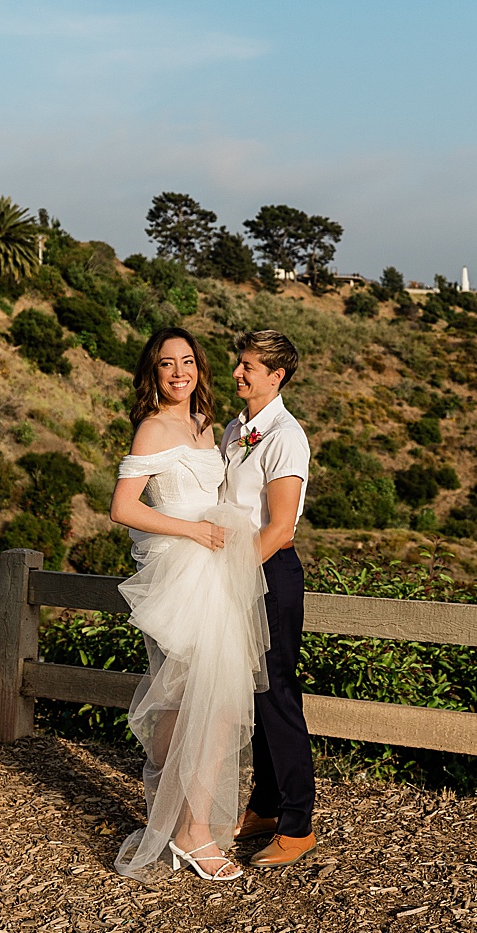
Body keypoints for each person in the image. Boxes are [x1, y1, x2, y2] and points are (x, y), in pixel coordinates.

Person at [108, 326, 270, 884]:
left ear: (199, 367)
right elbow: (123, 508)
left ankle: (188, 825)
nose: (179, 372)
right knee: (185, 705)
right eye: (166, 364)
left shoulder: (207, 426)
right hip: (181, 574)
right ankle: (189, 831)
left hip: (220, 575)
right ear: (153, 373)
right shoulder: (152, 429)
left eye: (187, 362)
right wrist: (193, 532)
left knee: (220, 704)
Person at [221, 330, 317, 867]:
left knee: (277, 693)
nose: (238, 372)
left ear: (276, 376)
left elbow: (280, 527)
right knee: (252, 694)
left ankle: (298, 823)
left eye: (249, 366)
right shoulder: (238, 429)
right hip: (237, 566)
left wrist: (232, 575)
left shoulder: (285, 436)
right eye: (240, 363)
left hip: (267, 571)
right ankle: (265, 803)